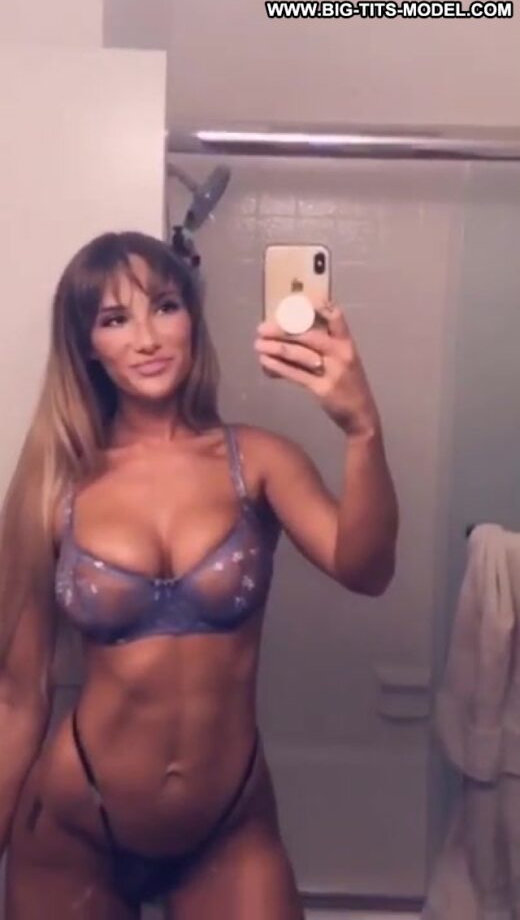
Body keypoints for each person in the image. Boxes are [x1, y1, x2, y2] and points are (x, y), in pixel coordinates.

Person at [0, 231, 398, 919]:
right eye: (114, 319)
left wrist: (362, 428)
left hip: (228, 828)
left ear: (193, 319)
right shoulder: (53, 485)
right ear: (87, 346)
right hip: (73, 825)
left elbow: (366, 570)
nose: (147, 338)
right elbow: (17, 697)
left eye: (165, 307)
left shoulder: (259, 461)